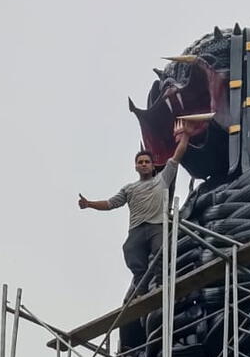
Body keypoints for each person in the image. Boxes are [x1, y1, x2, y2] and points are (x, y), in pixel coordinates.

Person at [78, 122, 191, 286]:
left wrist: (186, 135)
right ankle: (141, 288)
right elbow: (110, 204)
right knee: (130, 251)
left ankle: (161, 282)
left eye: (146, 162)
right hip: (136, 229)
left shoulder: (162, 179)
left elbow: (177, 156)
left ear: (152, 166)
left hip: (156, 226)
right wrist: (89, 204)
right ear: (136, 167)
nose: (143, 164)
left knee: (160, 250)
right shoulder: (129, 189)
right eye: (140, 162)